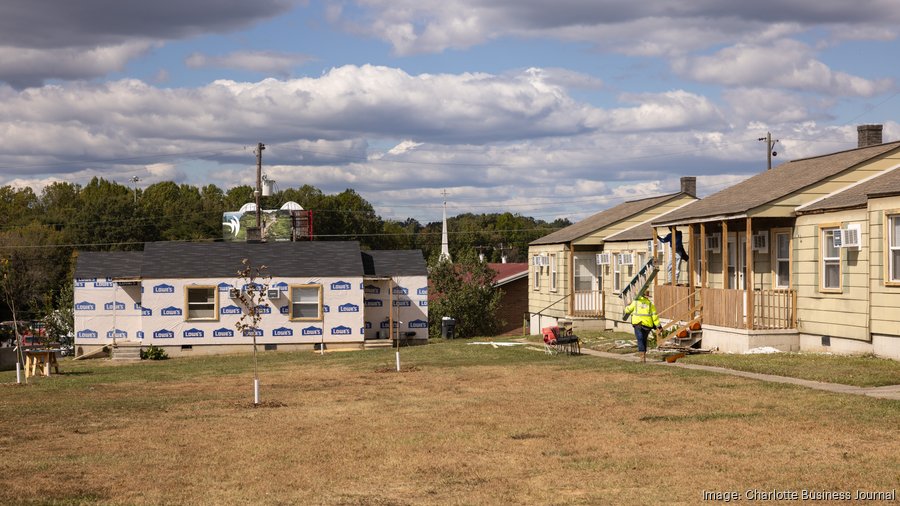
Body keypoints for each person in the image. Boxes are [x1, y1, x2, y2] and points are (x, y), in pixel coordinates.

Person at [623, 293, 661, 363]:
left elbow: (627, 310)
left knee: (640, 339)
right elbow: (654, 316)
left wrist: (628, 304)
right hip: (647, 325)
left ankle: (642, 358)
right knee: (644, 340)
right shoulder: (650, 304)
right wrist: (659, 326)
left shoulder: (635, 302)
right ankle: (643, 357)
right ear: (647, 296)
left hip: (638, 324)